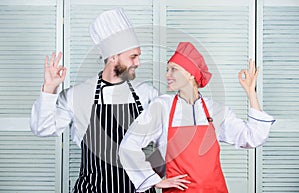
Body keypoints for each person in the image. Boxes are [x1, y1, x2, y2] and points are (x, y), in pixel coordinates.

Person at [30, 8, 158, 193]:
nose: (138, 62)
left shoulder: (146, 94)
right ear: (113, 56)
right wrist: (49, 89)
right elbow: (42, 129)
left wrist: (150, 175)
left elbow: (170, 138)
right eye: (133, 56)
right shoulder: (77, 95)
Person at [119, 42, 275, 193]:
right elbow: (129, 145)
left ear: (190, 74)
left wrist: (251, 93)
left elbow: (252, 137)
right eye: (167, 69)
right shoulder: (162, 107)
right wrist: (153, 180)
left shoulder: (215, 110)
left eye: (173, 69)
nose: (167, 75)